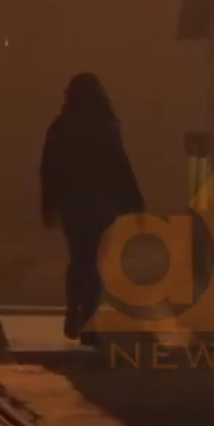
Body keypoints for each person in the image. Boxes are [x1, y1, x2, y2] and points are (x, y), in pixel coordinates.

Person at [39, 73, 144, 345]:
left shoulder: (61, 127)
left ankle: (73, 308)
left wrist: (48, 204)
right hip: (102, 203)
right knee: (97, 262)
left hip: (72, 204)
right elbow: (120, 166)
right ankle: (90, 317)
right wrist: (134, 200)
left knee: (78, 258)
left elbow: (48, 169)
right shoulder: (106, 126)